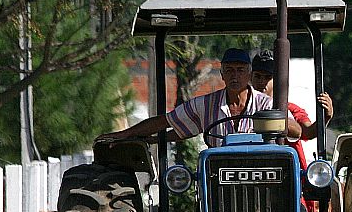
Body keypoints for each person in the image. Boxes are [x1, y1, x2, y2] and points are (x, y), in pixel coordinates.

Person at [98, 48, 272, 148]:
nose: (235, 76)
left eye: (240, 70)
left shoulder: (266, 105)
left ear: (249, 73)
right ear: (222, 75)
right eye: (230, 70)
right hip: (215, 175)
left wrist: (287, 123)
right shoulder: (205, 104)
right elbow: (167, 121)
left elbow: (292, 127)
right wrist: (127, 134)